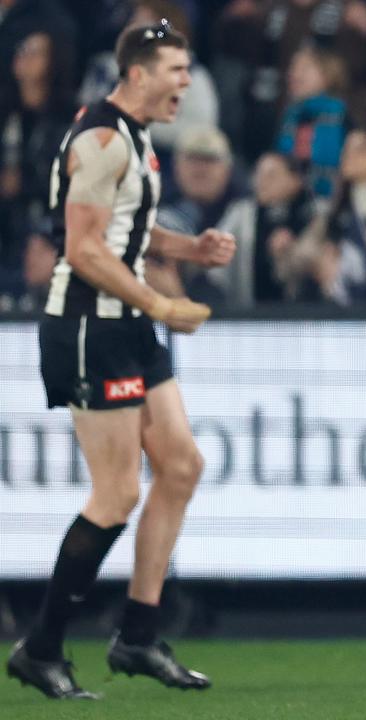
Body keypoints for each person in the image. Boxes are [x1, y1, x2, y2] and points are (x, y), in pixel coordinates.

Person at [5, 20, 236, 700]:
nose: (186, 84)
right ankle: (40, 647)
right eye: (176, 71)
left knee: (183, 465)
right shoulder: (102, 139)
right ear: (137, 74)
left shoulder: (131, 135)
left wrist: (186, 250)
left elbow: (122, 227)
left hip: (126, 322)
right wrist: (161, 304)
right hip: (88, 327)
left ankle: (136, 635)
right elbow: (82, 248)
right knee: (117, 493)